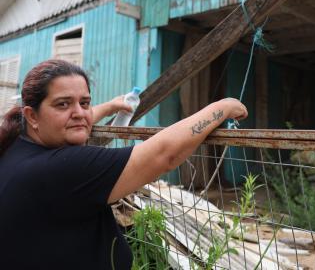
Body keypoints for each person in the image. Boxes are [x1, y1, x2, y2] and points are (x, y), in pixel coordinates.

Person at [0, 59, 247, 270]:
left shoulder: (15, 146)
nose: (79, 112)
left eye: (84, 103)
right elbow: (164, 155)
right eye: (63, 103)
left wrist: (108, 107)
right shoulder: (62, 168)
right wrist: (222, 107)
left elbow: (70, 121)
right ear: (32, 116)